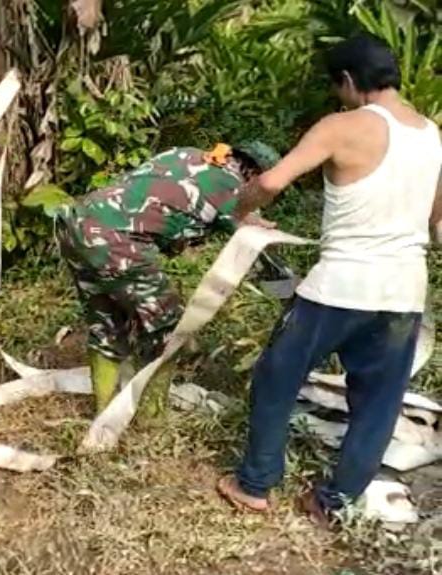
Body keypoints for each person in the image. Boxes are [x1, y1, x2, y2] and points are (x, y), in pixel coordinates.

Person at [217, 35, 442, 526]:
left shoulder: (342, 126)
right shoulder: (432, 135)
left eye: (336, 86)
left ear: (347, 80)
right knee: (378, 404)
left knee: (278, 376)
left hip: (340, 286)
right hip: (404, 290)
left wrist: (239, 212)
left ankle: (254, 484)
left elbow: (272, 182)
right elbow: (437, 220)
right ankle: (333, 503)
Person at [55, 141, 280, 418]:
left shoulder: (188, 154)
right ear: (257, 176)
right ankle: (153, 417)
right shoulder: (232, 188)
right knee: (169, 328)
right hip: (115, 240)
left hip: (77, 224)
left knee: (107, 323)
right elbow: (246, 227)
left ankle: (103, 414)